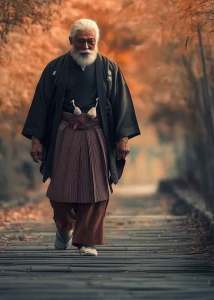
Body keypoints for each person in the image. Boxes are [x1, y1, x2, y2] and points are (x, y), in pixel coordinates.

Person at [22, 19, 140, 256]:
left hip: (97, 134)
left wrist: (123, 137)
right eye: (80, 41)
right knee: (60, 191)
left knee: (96, 189)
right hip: (64, 133)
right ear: (70, 42)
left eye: (90, 41)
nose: (86, 46)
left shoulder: (110, 69)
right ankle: (64, 228)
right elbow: (41, 105)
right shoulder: (55, 68)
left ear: (96, 42)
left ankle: (87, 242)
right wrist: (37, 139)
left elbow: (121, 104)